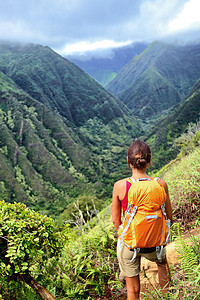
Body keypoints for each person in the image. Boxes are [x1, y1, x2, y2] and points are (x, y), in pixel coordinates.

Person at [112, 139, 172, 300]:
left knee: (133, 290)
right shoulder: (160, 184)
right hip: (155, 242)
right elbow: (169, 217)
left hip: (130, 244)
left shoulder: (120, 186)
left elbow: (115, 221)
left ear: (128, 161)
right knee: (162, 266)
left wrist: (126, 237)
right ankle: (167, 297)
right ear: (149, 161)